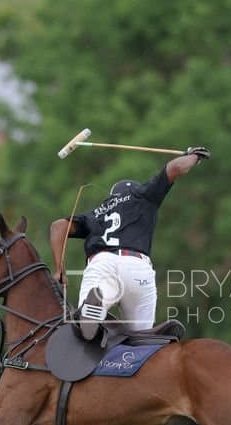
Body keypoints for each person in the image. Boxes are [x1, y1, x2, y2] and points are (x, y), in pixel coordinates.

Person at [49, 146, 209, 340]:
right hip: (138, 267)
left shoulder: (99, 212)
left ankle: (97, 305)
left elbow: (58, 227)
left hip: (102, 264)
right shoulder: (142, 195)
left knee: (84, 329)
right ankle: (151, 338)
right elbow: (175, 168)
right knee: (140, 339)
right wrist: (194, 155)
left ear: (112, 196)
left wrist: (59, 269)